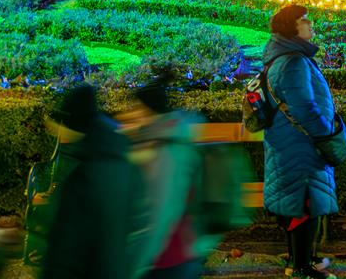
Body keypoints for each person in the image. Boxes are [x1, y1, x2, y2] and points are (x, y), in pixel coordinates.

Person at [264, 3, 346, 279]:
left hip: (292, 143)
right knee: (305, 202)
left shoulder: (285, 58)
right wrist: (326, 133)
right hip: (302, 145)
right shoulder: (293, 62)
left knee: (298, 201)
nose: (311, 24)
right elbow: (304, 108)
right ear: (292, 28)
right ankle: (302, 268)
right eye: (305, 20)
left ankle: (299, 260)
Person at [38, 84, 143, 279]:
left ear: (73, 125)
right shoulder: (122, 161)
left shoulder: (85, 175)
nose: (58, 134)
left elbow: (66, 247)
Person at [129, 68, 219, 279]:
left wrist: (137, 264)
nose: (131, 114)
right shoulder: (177, 136)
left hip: (167, 258)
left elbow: (162, 212)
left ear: (148, 111)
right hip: (184, 251)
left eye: (136, 108)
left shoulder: (165, 151)